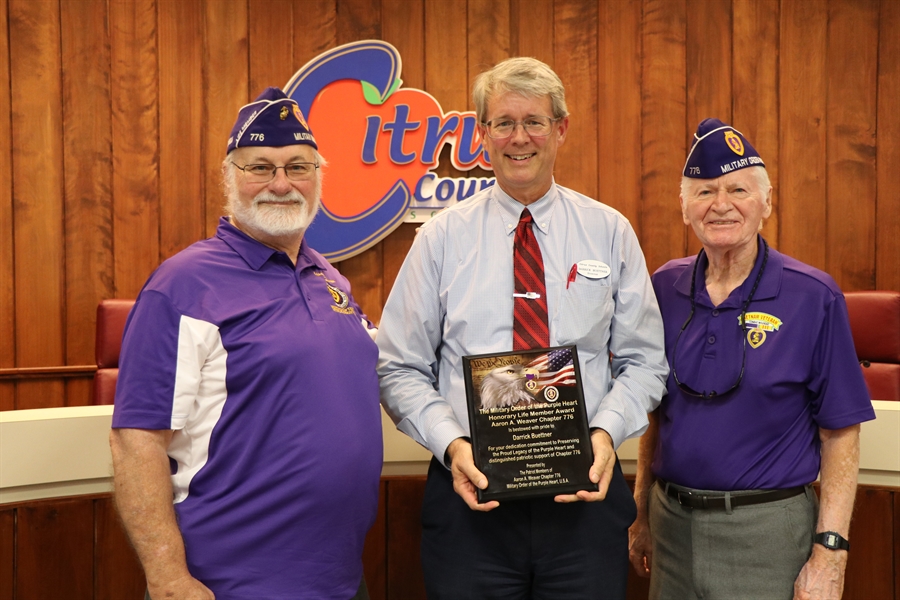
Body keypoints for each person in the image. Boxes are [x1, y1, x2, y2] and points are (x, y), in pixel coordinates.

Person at [376, 57, 668, 599]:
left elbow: (645, 362)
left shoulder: (609, 232)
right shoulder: (440, 239)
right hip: (470, 500)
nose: (519, 138)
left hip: (585, 502)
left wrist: (604, 434)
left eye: (534, 121)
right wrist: (452, 446)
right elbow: (398, 367)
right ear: (482, 132)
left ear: (561, 128)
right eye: (503, 122)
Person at [109, 87, 382, 600]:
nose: (281, 183)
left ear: (319, 177)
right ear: (229, 177)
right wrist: (167, 578)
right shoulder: (183, 285)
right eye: (260, 167)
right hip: (229, 582)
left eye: (298, 167)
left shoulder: (328, 278)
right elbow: (136, 439)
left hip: (339, 577)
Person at [628, 118, 877, 600]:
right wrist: (641, 511)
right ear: (684, 207)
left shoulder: (813, 295)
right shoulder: (663, 287)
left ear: (766, 202)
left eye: (738, 189)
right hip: (671, 528)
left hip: (767, 534)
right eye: (704, 192)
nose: (720, 204)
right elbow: (655, 414)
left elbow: (840, 431)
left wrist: (831, 551)